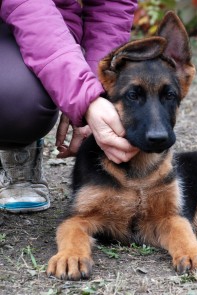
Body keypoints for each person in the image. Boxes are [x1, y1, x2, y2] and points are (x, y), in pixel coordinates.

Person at [0, 0, 139, 213]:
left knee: (18, 101)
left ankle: (19, 150)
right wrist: (80, 91)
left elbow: (111, 8)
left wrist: (91, 90)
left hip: (40, 24)